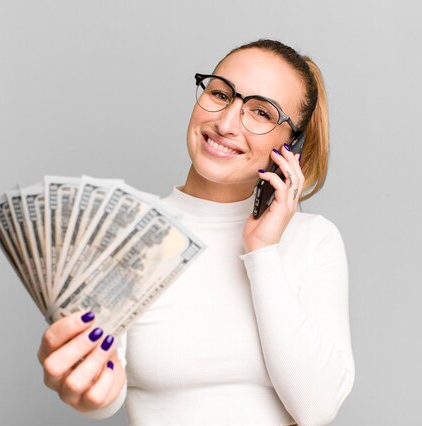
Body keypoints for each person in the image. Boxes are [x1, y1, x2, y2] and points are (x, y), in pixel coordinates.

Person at [37, 39, 355, 425]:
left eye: (260, 112)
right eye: (220, 93)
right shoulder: (126, 237)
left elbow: (318, 408)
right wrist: (81, 382)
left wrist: (262, 252)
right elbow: (105, 397)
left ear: (292, 146)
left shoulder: (314, 241)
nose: (225, 124)